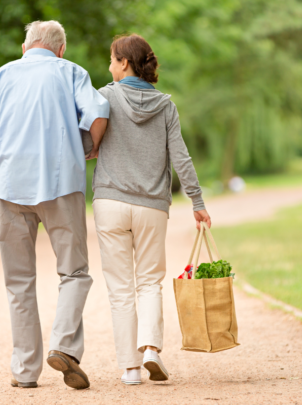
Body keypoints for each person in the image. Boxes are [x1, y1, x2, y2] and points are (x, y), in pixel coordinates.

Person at [0, 20, 109, 390]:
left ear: (25, 46)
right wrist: (89, 148)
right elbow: (99, 114)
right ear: (60, 49)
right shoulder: (72, 72)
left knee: (19, 282)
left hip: (11, 188)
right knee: (74, 273)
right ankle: (63, 346)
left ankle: (26, 371)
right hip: (62, 185)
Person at [88, 34, 211, 385]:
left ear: (124, 63)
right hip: (152, 208)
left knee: (120, 288)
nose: (109, 67)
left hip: (110, 202)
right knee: (149, 283)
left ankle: (129, 368)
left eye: (112, 60)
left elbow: (86, 142)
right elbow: (181, 158)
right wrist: (197, 202)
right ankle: (152, 350)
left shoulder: (105, 96)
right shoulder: (166, 106)